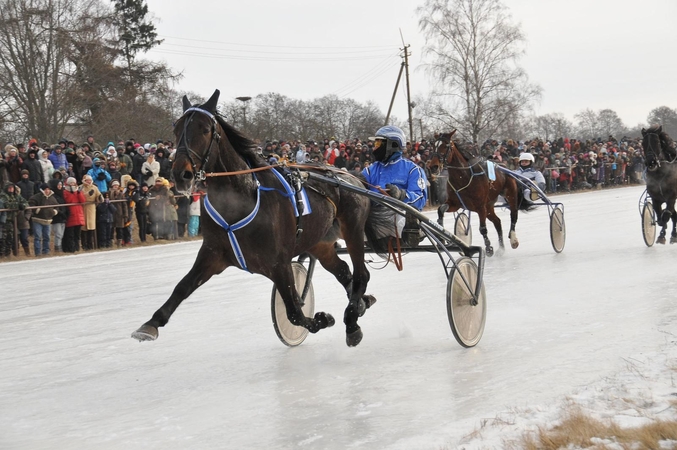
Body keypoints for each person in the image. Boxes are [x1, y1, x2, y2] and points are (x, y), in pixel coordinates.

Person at [361, 125, 428, 249]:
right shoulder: (369, 171)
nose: (374, 148)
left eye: (379, 143)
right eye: (375, 143)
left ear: (393, 145)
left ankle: (416, 231)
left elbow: (420, 199)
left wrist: (400, 195)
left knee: (403, 219)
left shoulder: (413, 170)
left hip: (399, 215)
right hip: (375, 218)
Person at [28, 183, 59, 256]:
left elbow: (57, 206)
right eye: (45, 189)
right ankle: (38, 253)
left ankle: (46, 251)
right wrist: (36, 210)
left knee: (47, 237)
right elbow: (30, 204)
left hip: (48, 220)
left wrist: (55, 212)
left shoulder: (52, 198)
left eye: (48, 189)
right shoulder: (36, 197)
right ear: (42, 190)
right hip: (37, 220)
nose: (47, 191)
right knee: (38, 237)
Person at [0, 183, 28, 256]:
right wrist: (18, 205)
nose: (11, 189)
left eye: (12, 188)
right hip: (4, 221)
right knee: (3, 239)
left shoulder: (16, 195)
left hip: (11, 220)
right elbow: (7, 205)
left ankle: (8, 254)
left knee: (10, 238)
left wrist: (22, 205)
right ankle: (2, 255)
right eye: (9, 188)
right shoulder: (3, 195)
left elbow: (25, 202)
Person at [62, 177, 86, 253]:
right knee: (70, 234)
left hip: (78, 214)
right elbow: (68, 200)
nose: (72, 184)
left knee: (77, 234)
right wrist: (72, 192)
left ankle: (77, 248)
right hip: (71, 214)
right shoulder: (65, 191)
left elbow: (83, 200)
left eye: (73, 182)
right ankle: (71, 249)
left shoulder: (78, 191)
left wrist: (78, 193)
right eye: (71, 183)